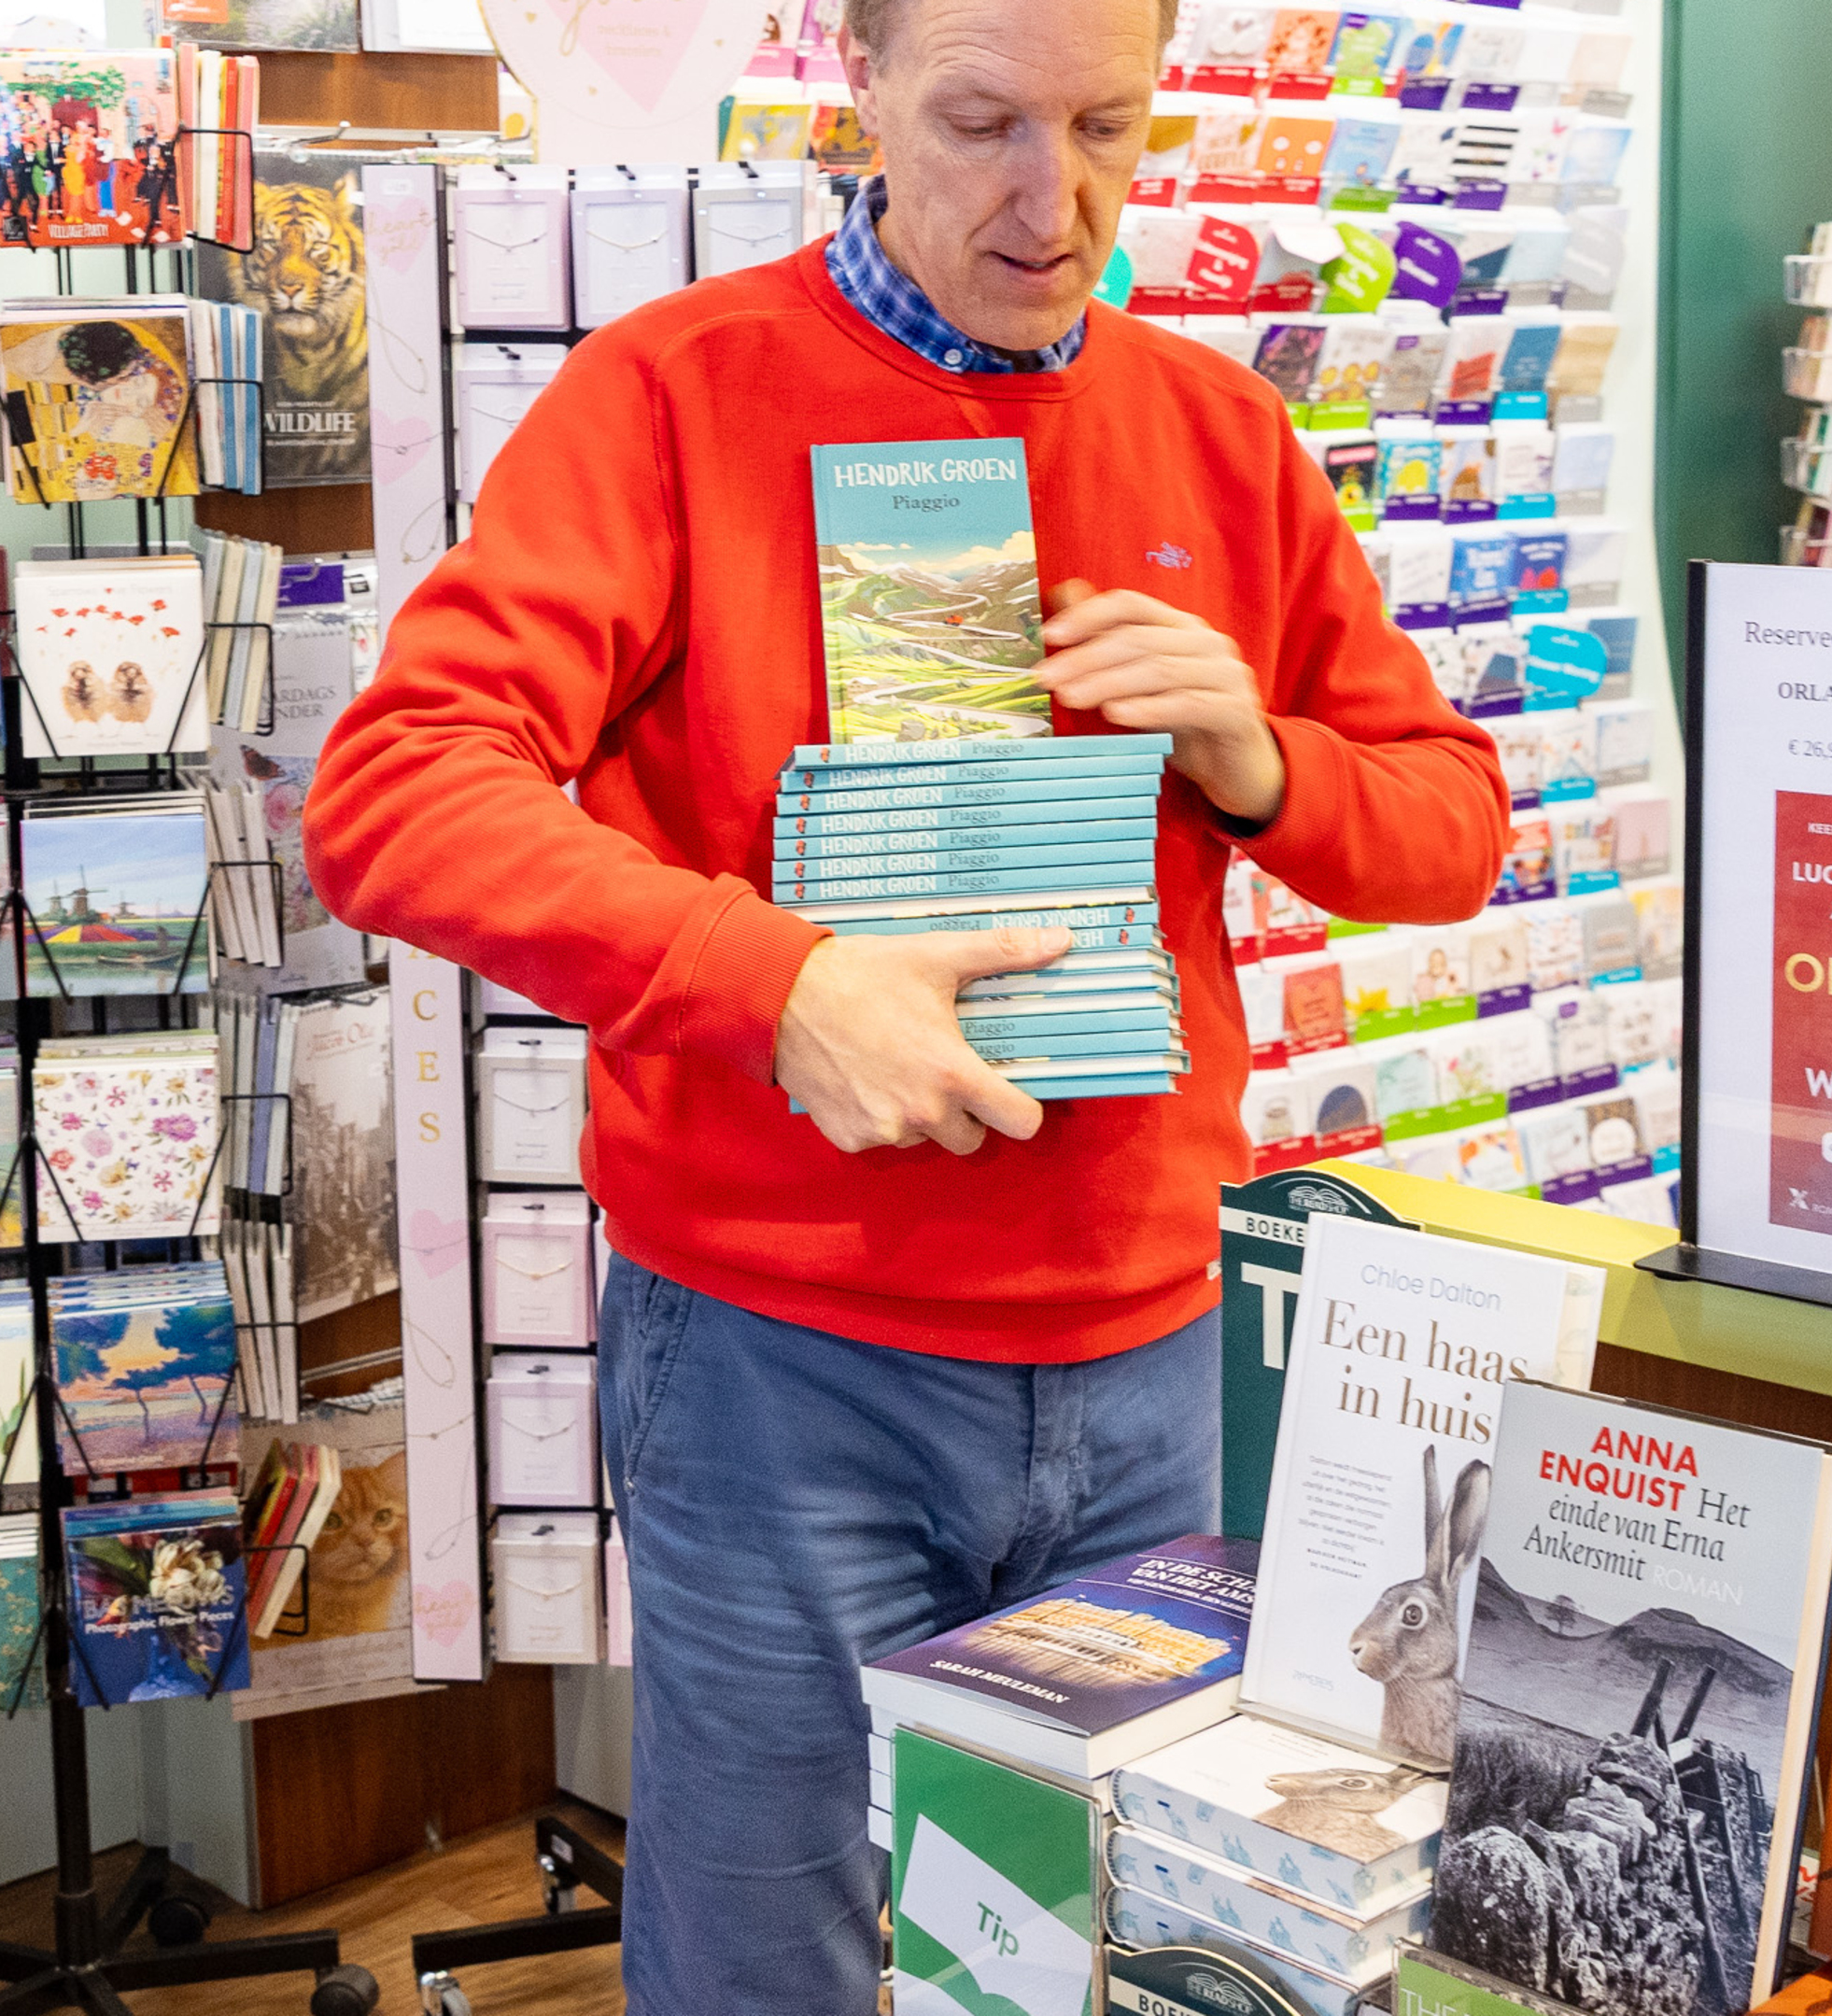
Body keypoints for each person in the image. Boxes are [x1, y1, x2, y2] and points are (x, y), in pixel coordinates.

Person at [301, 0, 1504, 2003]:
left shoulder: (1221, 431)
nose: (1059, 202)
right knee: (780, 1948)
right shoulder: (672, 396)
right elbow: (399, 793)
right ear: (855, 81)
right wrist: (774, 987)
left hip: (1150, 1365)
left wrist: (1261, 756)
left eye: (1112, 125)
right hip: (790, 1373)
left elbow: (1449, 830)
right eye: (982, 124)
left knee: (1103, 1953)